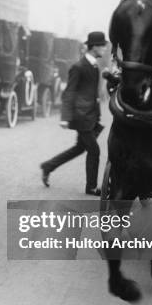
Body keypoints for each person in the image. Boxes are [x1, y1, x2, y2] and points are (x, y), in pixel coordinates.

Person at [40, 31, 107, 196]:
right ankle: (91, 187)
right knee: (94, 151)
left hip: (90, 116)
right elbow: (69, 92)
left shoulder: (94, 66)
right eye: (102, 46)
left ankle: (48, 166)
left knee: (79, 148)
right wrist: (65, 118)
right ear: (94, 47)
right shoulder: (78, 67)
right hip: (81, 116)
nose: (104, 49)